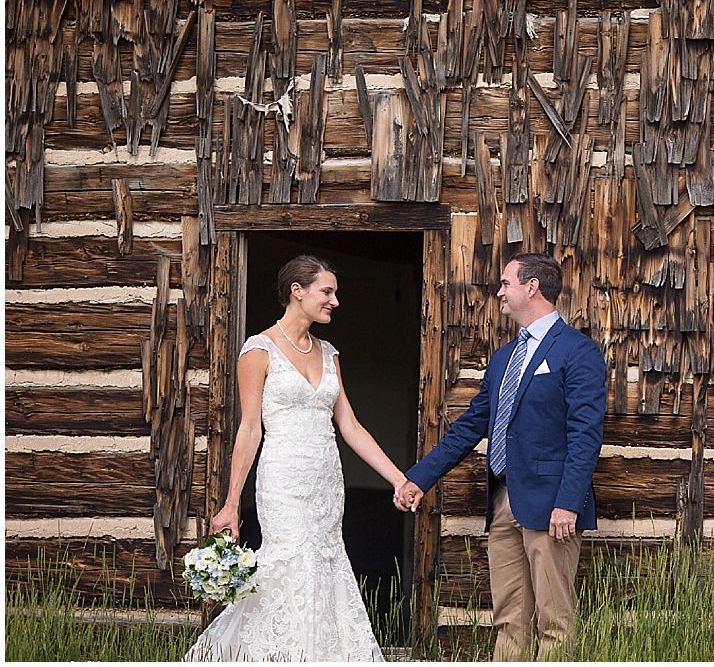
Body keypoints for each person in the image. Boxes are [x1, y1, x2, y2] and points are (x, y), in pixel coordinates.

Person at [185, 255, 408, 661]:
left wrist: (397, 478)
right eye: (327, 292)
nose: (334, 301)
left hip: (326, 482)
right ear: (297, 291)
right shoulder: (259, 351)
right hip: (283, 481)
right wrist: (233, 502)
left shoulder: (329, 354)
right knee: (287, 564)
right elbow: (250, 427)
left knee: (325, 564)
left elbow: (351, 425)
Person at [394, 252, 606, 660]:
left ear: (532, 287)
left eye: (506, 283)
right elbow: (471, 427)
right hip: (503, 501)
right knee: (509, 617)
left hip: (551, 506)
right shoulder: (505, 358)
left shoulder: (578, 352)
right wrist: (419, 478)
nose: (499, 291)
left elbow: (585, 434)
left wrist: (568, 503)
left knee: (554, 620)